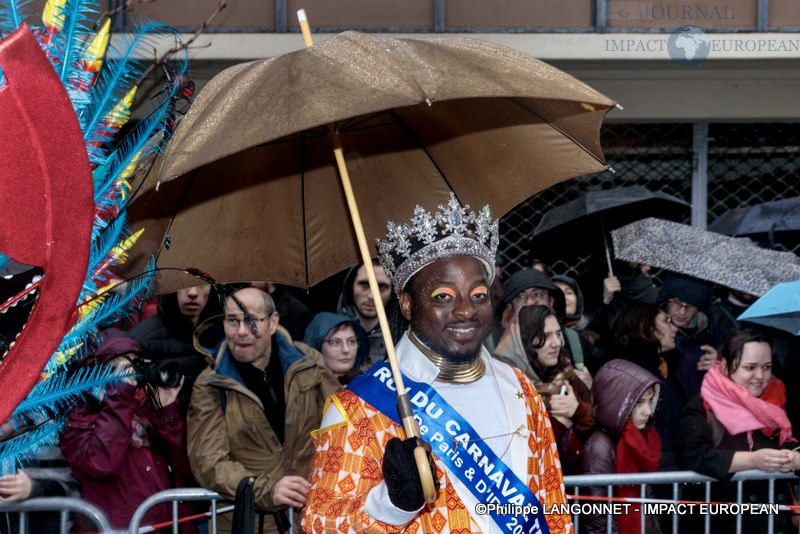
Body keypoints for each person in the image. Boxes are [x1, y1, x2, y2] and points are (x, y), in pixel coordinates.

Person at [304, 194, 572, 533]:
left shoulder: (519, 388)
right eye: (443, 296)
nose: (466, 310)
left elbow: (553, 507)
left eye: (478, 295)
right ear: (406, 304)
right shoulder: (358, 409)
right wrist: (392, 503)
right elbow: (322, 524)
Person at [187, 287, 340, 534]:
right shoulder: (211, 384)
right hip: (249, 521)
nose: (242, 332)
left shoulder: (307, 361)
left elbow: (341, 426)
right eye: (232, 321)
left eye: (251, 320)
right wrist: (266, 490)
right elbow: (209, 461)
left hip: (313, 515)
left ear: (272, 322)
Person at [59, 333, 195, 532]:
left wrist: (166, 411)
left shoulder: (148, 408)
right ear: (99, 373)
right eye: (122, 367)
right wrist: (120, 397)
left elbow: (188, 466)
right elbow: (103, 464)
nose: (130, 374)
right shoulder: (78, 417)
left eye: (136, 364)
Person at [677, 329, 799, 533]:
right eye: (750, 368)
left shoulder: (776, 403)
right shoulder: (702, 406)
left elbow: (788, 443)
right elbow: (693, 455)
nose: (760, 376)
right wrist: (753, 461)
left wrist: (794, 459)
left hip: (773, 521)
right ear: (725, 366)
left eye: (767, 367)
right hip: (721, 520)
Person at [511, 304, 595, 474]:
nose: (556, 343)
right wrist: (558, 425)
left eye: (558, 334)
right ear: (526, 340)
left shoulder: (566, 375)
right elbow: (520, 451)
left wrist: (577, 410)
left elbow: (598, 429)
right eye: (546, 336)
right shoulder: (512, 385)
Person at [581, 359, 662, 534]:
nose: (648, 411)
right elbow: (598, 521)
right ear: (616, 403)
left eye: (650, 401)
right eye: (639, 403)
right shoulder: (599, 448)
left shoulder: (640, 440)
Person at [605, 302, 682, 469]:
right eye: (666, 321)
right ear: (645, 327)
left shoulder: (665, 366)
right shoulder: (632, 374)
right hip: (656, 469)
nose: (674, 328)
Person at [128, 284, 221, 416]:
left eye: (201, 284)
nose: (193, 292)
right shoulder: (141, 341)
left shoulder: (224, 336)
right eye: (184, 283)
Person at [656, 273, 722, 398]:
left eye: (690, 306)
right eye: (678, 302)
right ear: (667, 300)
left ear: (699, 307)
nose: (682, 311)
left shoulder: (713, 337)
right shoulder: (650, 329)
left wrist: (719, 368)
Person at [336, 261, 394, 364]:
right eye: (364, 284)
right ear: (351, 286)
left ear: (391, 293)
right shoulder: (327, 331)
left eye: (381, 287)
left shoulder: (401, 339)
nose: (371, 296)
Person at [303, 312, 370, 384]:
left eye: (351, 341)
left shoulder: (372, 386)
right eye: (335, 343)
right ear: (317, 347)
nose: (346, 350)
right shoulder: (303, 389)